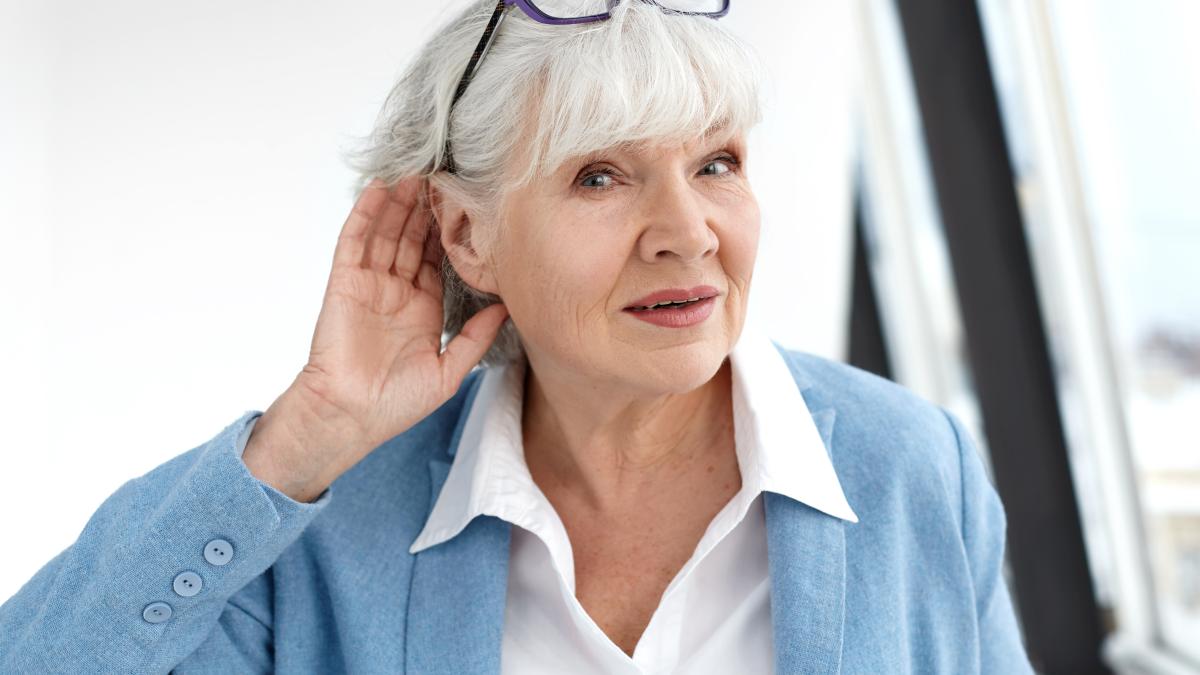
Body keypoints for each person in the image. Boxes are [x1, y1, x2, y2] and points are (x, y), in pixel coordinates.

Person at [0, 0, 1037, 673]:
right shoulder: (330, 517)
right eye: (601, 175)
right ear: (467, 235)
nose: (687, 234)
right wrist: (306, 432)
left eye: (715, 163)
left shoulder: (912, 467)